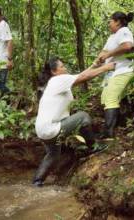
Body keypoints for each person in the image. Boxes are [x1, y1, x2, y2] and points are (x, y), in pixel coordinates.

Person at [33, 57, 115, 187]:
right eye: (62, 66)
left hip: (43, 131)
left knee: (53, 154)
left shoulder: (55, 82)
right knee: (83, 116)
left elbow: (81, 75)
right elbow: (83, 77)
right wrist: (105, 68)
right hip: (52, 129)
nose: (65, 68)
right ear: (54, 71)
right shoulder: (57, 80)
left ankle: (37, 181)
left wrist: (94, 65)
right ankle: (93, 147)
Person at [94, 12, 134, 138]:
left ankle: (108, 132)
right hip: (112, 72)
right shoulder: (112, 36)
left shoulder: (124, 31)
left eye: (110, 21)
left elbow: (127, 46)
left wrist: (108, 55)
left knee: (111, 98)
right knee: (105, 98)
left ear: (118, 21)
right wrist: (99, 59)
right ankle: (117, 125)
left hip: (123, 70)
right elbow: (104, 51)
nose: (109, 24)